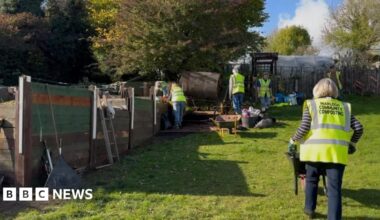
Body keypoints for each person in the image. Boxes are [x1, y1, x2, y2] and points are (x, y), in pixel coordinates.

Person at [288, 78, 363, 219]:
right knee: (334, 188)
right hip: (336, 153)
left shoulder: (311, 105)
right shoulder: (344, 107)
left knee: (311, 180)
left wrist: (293, 140)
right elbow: (359, 128)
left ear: (316, 90)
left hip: (314, 152)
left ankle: (309, 209)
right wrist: (352, 144)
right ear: (335, 91)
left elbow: (304, 128)